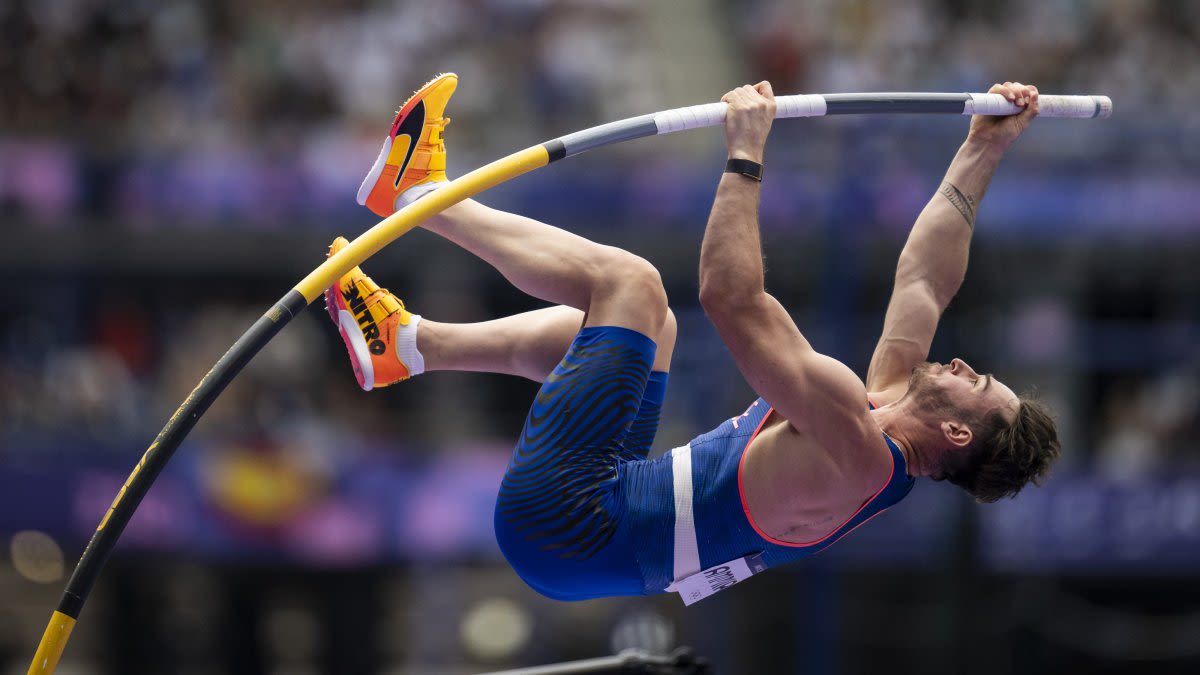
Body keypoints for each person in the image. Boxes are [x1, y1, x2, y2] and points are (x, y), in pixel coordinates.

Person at [325, 73, 1061, 602]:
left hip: (572, 523)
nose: (964, 363)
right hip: (602, 519)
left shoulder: (856, 446)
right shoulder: (884, 411)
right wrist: (984, 147)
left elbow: (731, 297)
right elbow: (925, 280)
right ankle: (408, 344)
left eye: (977, 381)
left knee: (634, 288)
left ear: (958, 433)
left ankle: (415, 195)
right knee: (650, 331)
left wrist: (745, 153)